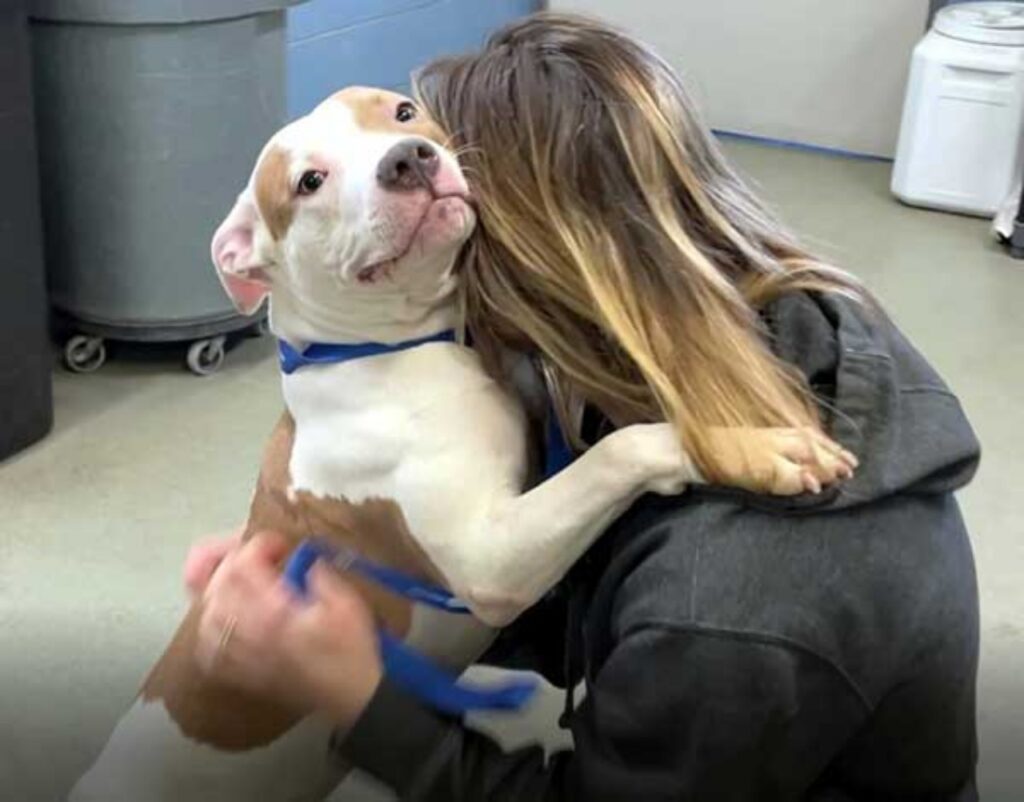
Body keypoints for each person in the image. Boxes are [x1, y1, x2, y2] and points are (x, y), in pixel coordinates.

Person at [188, 13, 981, 801]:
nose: (415, 168)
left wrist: (363, 700)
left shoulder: (724, 605)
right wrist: (368, 583)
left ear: (531, 263)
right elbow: (590, 577)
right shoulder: (808, 321)